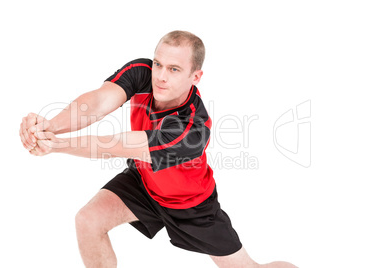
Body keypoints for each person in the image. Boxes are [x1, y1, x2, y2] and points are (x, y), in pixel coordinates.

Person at [19, 30, 297, 268]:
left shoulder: (193, 128)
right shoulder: (142, 73)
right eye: (158, 64)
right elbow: (97, 102)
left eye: (174, 69)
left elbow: (119, 145)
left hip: (191, 205)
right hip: (144, 182)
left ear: (196, 76)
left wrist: (56, 145)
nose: (161, 76)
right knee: (88, 220)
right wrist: (48, 127)